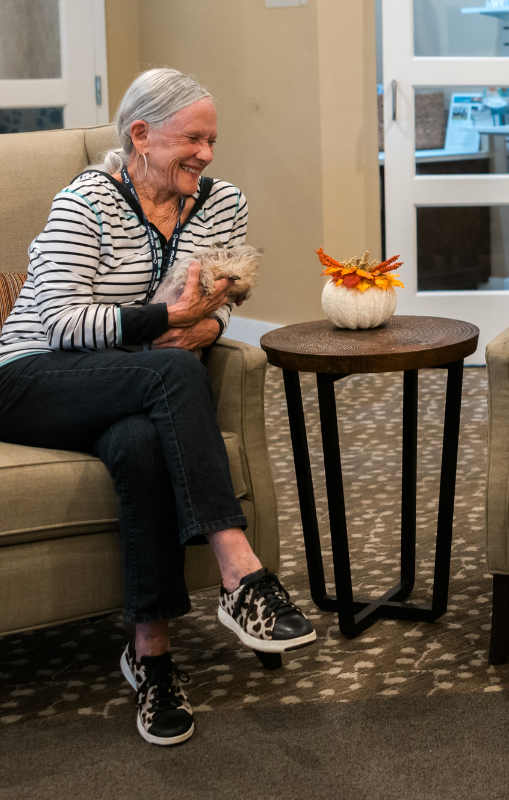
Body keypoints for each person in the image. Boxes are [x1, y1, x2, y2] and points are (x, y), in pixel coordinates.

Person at [0, 68, 315, 746]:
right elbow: (57, 322)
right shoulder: (84, 201)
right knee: (171, 372)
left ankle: (152, 658)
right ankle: (240, 572)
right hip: (31, 377)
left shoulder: (220, 203)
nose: (205, 155)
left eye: (212, 140)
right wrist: (166, 319)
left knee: (141, 443)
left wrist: (207, 328)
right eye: (191, 139)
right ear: (139, 135)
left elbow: (222, 300)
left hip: (130, 380)